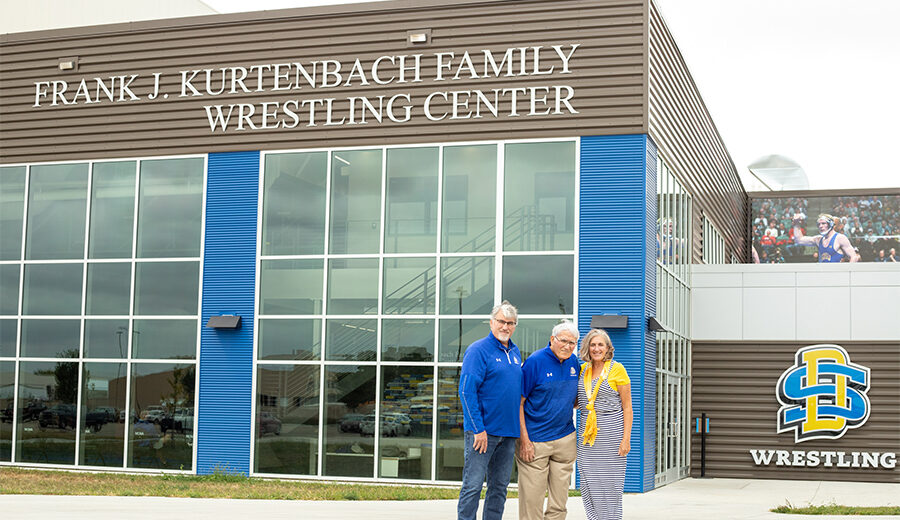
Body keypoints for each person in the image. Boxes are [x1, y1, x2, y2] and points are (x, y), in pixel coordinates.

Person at [457, 301, 523, 520]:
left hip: (509, 433)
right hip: (483, 434)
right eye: (502, 322)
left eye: (511, 323)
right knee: (473, 486)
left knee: (499, 488)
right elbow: (467, 392)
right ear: (491, 322)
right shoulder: (478, 350)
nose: (506, 327)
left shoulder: (514, 352)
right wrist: (478, 429)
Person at [516, 321, 580, 520]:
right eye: (564, 341)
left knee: (559, 503)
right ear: (552, 339)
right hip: (535, 441)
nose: (568, 346)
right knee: (532, 502)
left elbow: (575, 399)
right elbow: (518, 404)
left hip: (565, 439)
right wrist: (524, 441)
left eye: (572, 343)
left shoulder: (574, 362)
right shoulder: (535, 361)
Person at [577, 329, 632, 520]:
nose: (596, 348)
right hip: (588, 438)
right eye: (593, 345)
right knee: (589, 483)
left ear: (608, 348)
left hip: (612, 435)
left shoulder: (618, 369)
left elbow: (627, 407)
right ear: (587, 347)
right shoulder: (583, 370)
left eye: (601, 345)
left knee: (610, 485)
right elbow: (578, 401)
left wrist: (626, 439)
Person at [792, 213, 859, 263]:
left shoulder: (840, 238)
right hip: (823, 275)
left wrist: (847, 273)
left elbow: (854, 257)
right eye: (819, 224)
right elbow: (799, 240)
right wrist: (796, 224)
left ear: (831, 224)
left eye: (823, 223)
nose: (820, 226)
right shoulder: (818, 239)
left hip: (837, 275)